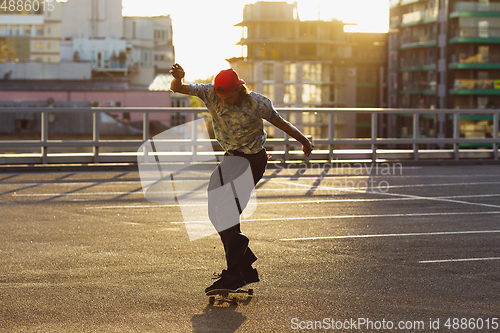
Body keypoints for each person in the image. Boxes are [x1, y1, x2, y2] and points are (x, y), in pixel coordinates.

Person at [169, 63, 313, 292]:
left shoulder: (257, 103)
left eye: (228, 96)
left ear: (239, 89)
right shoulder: (209, 92)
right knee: (213, 211)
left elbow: (280, 123)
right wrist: (178, 78)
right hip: (229, 159)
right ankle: (244, 265)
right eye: (220, 96)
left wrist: (304, 140)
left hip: (252, 161)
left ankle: (235, 272)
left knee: (228, 211)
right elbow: (178, 88)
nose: (223, 101)